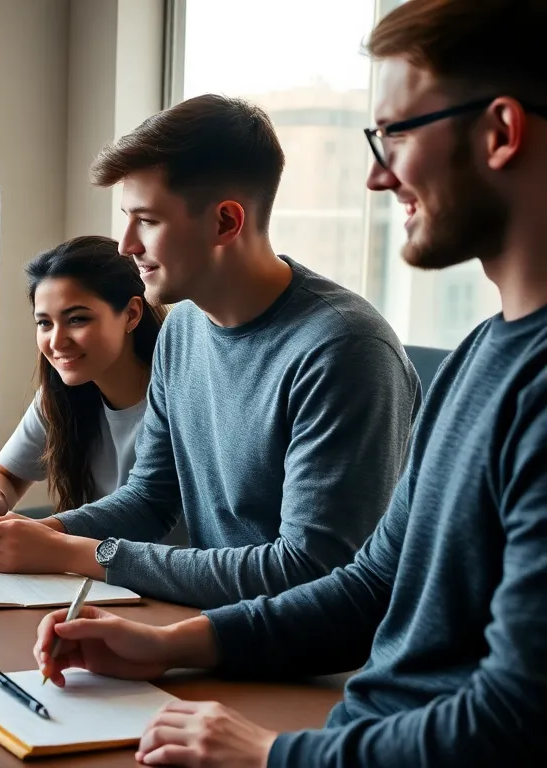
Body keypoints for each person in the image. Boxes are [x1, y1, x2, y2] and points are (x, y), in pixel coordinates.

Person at [33, 1, 547, 764]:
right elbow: (371, 584)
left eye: (396, 135)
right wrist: (170, 645)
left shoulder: (504, 382)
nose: (376, 175)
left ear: (500, 132)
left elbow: (513, 718)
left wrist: (275, 755)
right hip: (352, 731)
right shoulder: (483, 356)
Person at [0, 94, 421, 609]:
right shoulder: (184, 330)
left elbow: (309, 571)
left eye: (147, 221)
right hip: (214, 628)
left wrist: (74, 549)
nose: (126, 244)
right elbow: (149, 500)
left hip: (318, 668)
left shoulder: (345, 351)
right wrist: (34, 531)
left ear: (225, 222)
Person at [0, 236, 163, 529]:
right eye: (44, 323)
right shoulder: (60, 396)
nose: (56, 342)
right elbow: (2, 475)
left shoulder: (178, 400)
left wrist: (46, 534)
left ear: (131, 314)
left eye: (77, 319)